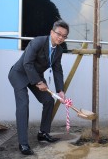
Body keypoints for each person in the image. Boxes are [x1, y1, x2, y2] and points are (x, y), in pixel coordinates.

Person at [8, 20, 69, 155]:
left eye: (64, 36)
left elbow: (57, 70)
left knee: (48, 100)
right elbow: (27, 63)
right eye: (58, 34)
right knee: (23, 104)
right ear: (51, 32)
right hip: (19, 74)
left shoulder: (58, 50)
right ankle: (23, 143)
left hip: (35, 76)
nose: (61, 38)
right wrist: (38, 82)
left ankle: (43, 133)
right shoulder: (38, 42)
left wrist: (60, 90)